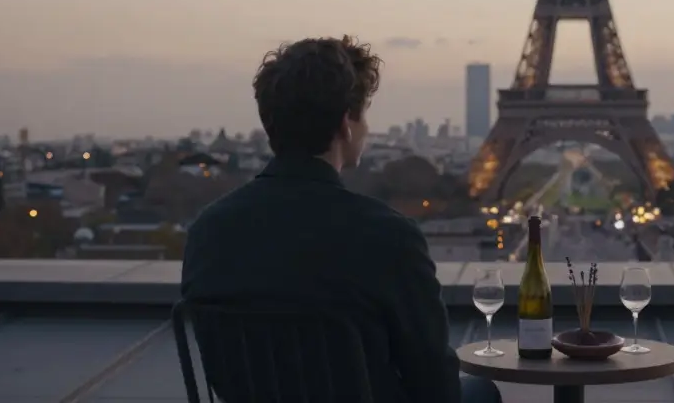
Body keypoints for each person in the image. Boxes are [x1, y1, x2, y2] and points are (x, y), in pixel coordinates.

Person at [181, 37, 501, 403]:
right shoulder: (388, 236)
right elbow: (435, 383)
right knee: (479, 392)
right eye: (363, 114)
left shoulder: (208, 231)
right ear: (346, 124)